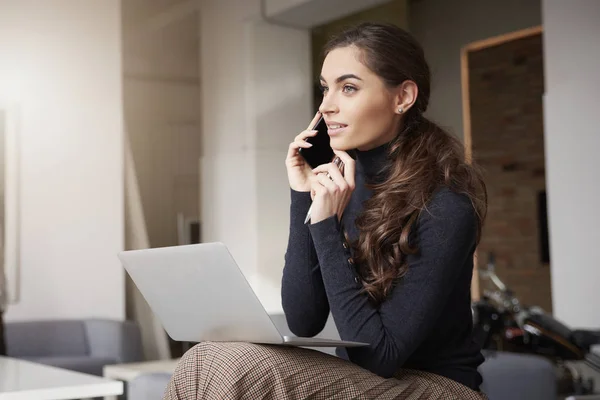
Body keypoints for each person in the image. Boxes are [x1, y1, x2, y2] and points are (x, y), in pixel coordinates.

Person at [163, 22, 488, 400]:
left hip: (437, 387)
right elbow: (304, 319)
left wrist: (324, 225)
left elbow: (378, 356)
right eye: (325, 88)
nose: (326, 105)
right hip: (364, 377)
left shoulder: (446, 206)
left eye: (348, 88)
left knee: (226, 365)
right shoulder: (343, 185)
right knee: (205, 357)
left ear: (403, 97)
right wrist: (303, 194)